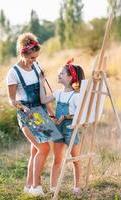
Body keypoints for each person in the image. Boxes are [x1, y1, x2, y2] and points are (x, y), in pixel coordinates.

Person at [6, 32, 53, 196]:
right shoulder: (13, 73)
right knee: (43, 148)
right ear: (22, 53)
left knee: (35, 150)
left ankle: (28, 186)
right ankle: (37, 187)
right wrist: (24, 109)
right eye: (32, 58)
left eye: (36, 57)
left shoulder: (36, 67)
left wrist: (51, 111)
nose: (35, 61)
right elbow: (11, 100)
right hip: (27, 115)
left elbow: (43, 90)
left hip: (41, 112)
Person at [40, 58, 85, 195]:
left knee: (75, 159)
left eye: (62, 73)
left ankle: (77, 186)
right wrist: (41, 83)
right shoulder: (58, 93)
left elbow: (78, 115)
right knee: (57, 159)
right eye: (59, 73)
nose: (58, 75)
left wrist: (64, 117)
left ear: (70, 77)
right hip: (58, 130)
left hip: (70, 130)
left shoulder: (76, 95)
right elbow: (43, 100)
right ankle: (53, 187)